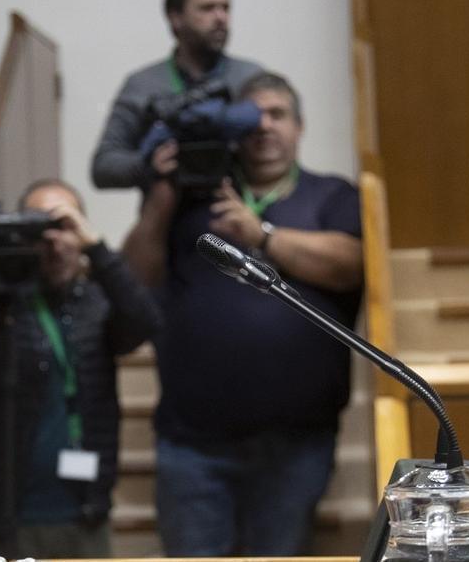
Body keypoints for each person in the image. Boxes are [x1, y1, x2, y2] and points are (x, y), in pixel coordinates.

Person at [122, 72, 364, 556]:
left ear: (300, 127)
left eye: (278, 115)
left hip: (296, 447)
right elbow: (132, 280)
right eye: (252, 117)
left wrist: (264, 235)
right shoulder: (190, 200)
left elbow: (350, 264)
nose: (264, 127)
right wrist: (160, 201)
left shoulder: (334, 196)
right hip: (192, 447)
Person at [0, 179, 162, 559]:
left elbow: (145, 323)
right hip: (3, 516)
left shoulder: (98, 300)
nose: (53, 239)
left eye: (64, 225)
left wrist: (99, 250)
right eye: (39, 226)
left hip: (83, 512)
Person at [92, 0, 265, 190]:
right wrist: (148, 163)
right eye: (207, 8)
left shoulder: (250, 78)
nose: (221, 17)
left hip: (240, 212)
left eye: (225, 7)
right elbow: (103, 168)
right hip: (165, 217)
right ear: (176, 17)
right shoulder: (143, 85)